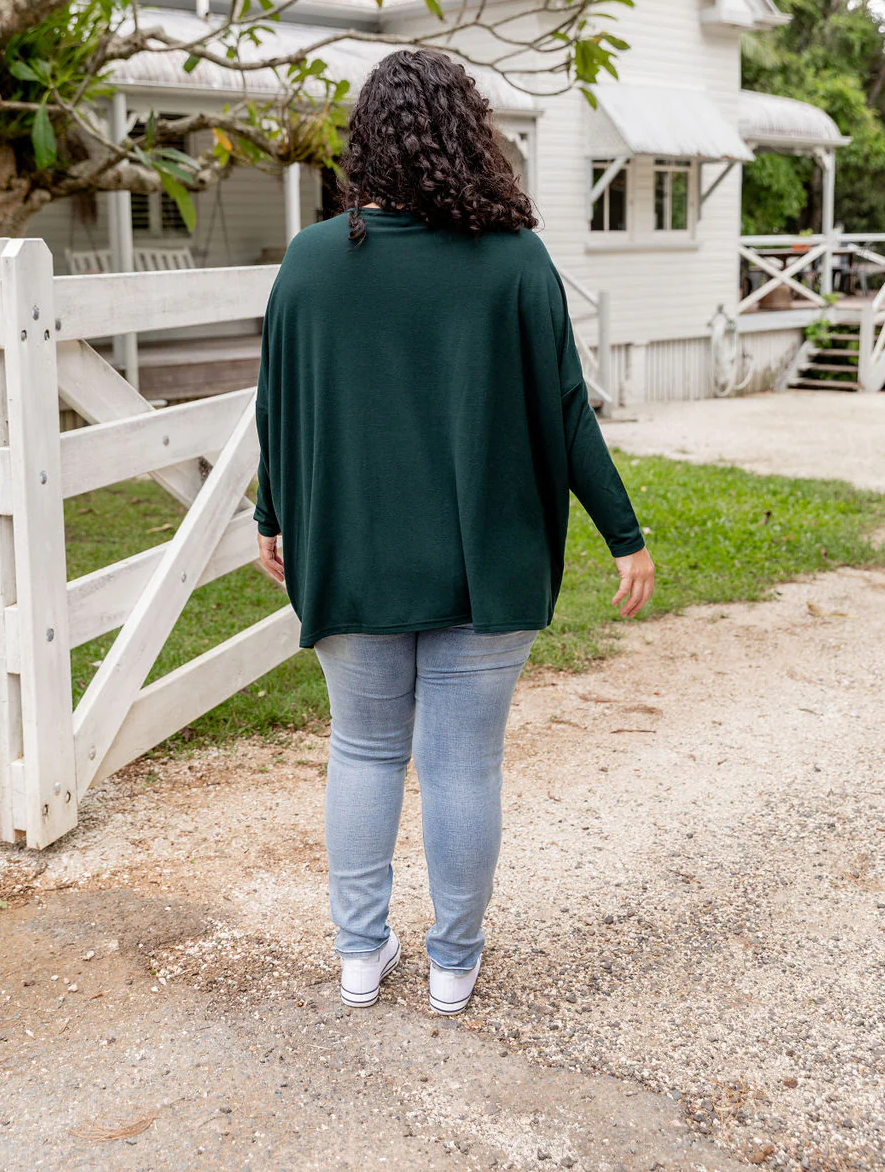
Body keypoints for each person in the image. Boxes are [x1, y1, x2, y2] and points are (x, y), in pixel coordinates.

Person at [254, 49, 654, 1015]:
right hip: (486, 562)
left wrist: (273, 517)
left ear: (367, 146)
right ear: (471, 137)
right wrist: (624, 533)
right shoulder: (514, 260)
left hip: (349, 557)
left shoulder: (311, 260)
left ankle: (359, 954)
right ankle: (452, 963)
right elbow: (569, 415)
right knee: (462, 763)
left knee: (362, 749)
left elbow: (279, 407)